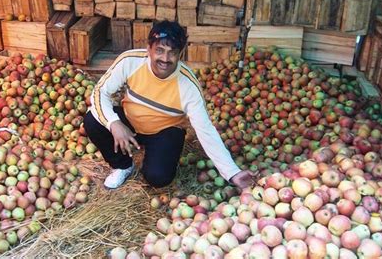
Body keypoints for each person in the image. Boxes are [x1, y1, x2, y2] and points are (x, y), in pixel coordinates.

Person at [84, 20, 254, 190]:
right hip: (131, 122)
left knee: (158, 177)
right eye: (159, 50)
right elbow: (99, 92)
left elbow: (205, 130)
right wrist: (114, 123)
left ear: (181, 53)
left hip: (164, 131)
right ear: (149, 48)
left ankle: (155, 156)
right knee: (93, 120)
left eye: (172, 53)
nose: (165, 59)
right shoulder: (130, 61)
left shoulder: (188, 86)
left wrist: (232, 172)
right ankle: (123, 166)